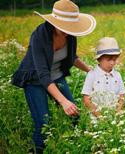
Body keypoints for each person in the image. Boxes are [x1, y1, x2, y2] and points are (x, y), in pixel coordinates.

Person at [11, 0, 96, 153]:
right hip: (35, 80)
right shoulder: (39, 36)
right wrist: (63, 102)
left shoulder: (70, 36)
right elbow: (43, 75)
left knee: (74, 115)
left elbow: (72, 58)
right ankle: (36, 151)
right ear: (54, 22)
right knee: (43, 123)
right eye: (63, 27)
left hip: (56, 77)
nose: (67, 31)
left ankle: (71, 146)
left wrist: (91, 71)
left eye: (70, 28)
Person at [81, 37, 125, 119]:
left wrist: (117, 112)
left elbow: (122, 96)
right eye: (109, 60)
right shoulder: (92, 75)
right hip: (96, 117)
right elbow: (86, 100)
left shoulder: (117, 75)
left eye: (114, 59)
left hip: (114, 116)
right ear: (99, 59)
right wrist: (100, 116)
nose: (112, 63)